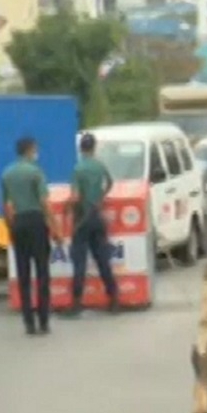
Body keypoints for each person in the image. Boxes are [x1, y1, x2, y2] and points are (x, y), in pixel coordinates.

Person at [2, 137, 57, 335]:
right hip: (36, 223)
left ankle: (28, 323)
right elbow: (44, 202)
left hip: (19, 224)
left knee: (23, 275)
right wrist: (55, 228)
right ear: (30, 150)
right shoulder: (35, 172)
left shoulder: (7, 173)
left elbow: (7, 206)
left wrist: (11, 228)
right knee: (42, 273)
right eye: (35, 149)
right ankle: (43, 321)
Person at [64, 132, 119, 316]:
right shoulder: (99, 166)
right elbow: (110, 183)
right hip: (97, 216)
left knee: (79, 262)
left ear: (81, 148)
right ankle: (113, 299)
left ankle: (77, 303)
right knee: (103, 260)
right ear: (94, 148)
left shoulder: (78, 169)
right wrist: (101, 197)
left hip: (82, 219)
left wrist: (67, 206)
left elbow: (76, 196)